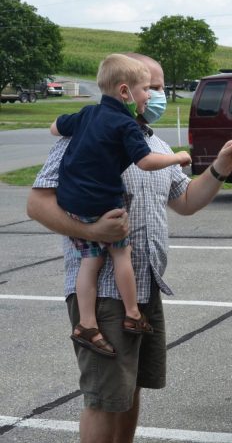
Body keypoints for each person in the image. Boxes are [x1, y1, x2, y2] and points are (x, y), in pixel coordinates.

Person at [26, 52, 232, 443]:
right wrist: (93, 230)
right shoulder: (85, 133)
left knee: (130, 389)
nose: (158, 95)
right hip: (103, 293)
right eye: (153, 86)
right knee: (104, 397)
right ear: (126, 89)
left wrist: (221, 168)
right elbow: (37, 203)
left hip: (144, 288)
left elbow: (186, 201)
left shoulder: (155, 144)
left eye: (158, 86)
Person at [51, 54, 192, 357]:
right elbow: (146, 161)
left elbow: (56, 126)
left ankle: (87, 323)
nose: (151, 97)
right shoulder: (126, 125)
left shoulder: (87, 114)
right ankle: (132, 313)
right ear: (126, 91)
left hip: (75, 204)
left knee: (90, 261)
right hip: (104, 204)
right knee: (121, 253)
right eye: (147, 90)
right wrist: (178, 157)